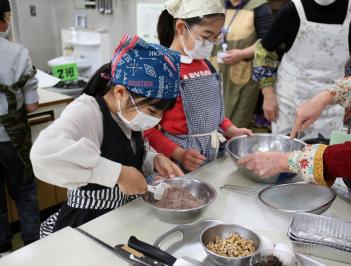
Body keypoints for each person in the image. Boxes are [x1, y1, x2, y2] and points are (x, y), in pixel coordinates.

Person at [30, 34, 184, 237]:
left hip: (121, 214)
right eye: (153, 112)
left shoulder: (127, 113)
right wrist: (118, 174)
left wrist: (154, 159)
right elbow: (43, 154)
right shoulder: (87, 112)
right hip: (88, 222)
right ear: (120, 92)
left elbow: (128, 149)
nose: (156, 119)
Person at [238, 0, 351, 186]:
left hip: (332, 111)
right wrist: (331, 95)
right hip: (292, 97)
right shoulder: (291, 10)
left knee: (318, 166)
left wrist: (285, 161)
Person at [144, 0, 252, 173]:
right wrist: (179, 153)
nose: (211, 43)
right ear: (181, 28)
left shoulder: (206, 65)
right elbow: (147, 130)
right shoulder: (162, 70)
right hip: (180, 161)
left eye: (216, 37)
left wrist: (231, 129)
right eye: (206, 35)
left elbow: (213, 112)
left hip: (213, 152)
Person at [253, 0, 351, 139]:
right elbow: (264, 52)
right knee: (286, 151)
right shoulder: (292, 10)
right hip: (290, 101)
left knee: (323, 155)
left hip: (332, 102)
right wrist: (268, 95)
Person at [0, 0, 40, 256]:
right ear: (3, 20)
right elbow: (31, 106)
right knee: (24, 192)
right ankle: (33, 247)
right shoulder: (18, 53)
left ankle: (3, 249)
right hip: (12, 139)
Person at [209, 0, 273, 128]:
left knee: (236, 124)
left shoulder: (259, 7)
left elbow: (267, 41)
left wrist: (242, 53)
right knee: (212, 119)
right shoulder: (216, 4)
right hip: (215, 70)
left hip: (243, 73)